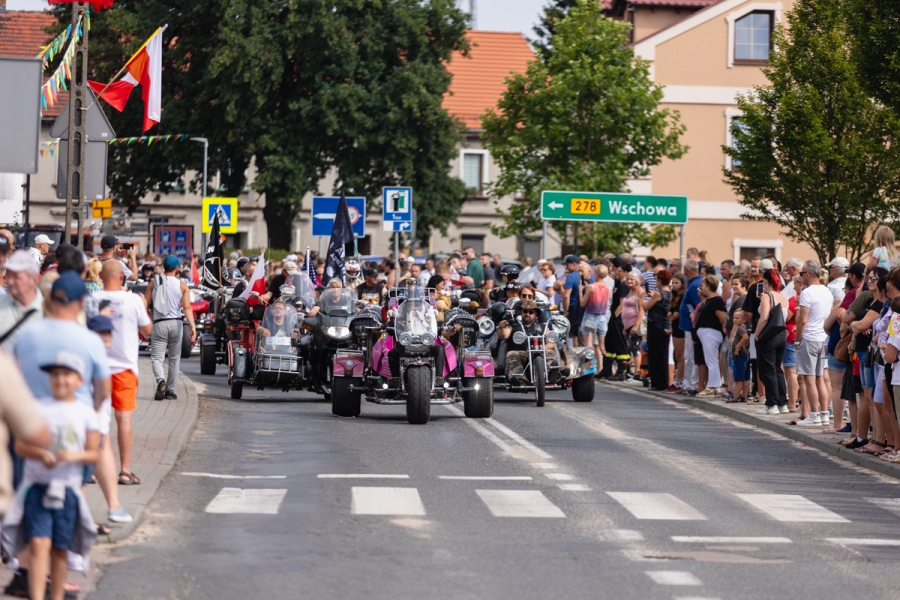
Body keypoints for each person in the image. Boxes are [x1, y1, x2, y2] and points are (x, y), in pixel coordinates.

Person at [7, 352, 99, 600]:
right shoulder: (38, 408)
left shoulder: (85, 413)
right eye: (56, 374)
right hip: (37, 488)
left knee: (60, 549)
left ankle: (56, 595)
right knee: (38, 544)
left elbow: (93, 455)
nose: (60, 380)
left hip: (68, 491)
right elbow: (20, 447)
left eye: (66, 374)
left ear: (79, 380)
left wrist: (73, 457)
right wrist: (41, 454)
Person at [94, 260, 152, 487]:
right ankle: (125, 471)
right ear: (121, 277)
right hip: (124, 368)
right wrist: (144, 305)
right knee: (123, 418)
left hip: (97, 367)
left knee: (98, 419)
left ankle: (93, 467)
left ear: (101, 277)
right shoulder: (133, 300)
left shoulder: (91, 300)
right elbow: (148, 331)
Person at [144, 255, 196, 401]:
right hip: (176, 323)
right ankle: (170, 391)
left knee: (156, 358)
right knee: (174, 359)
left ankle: (161, 381)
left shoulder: (154, 283)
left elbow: (145, 303)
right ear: (176, 268)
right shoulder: (182, 286)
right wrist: (192, 326)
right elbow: (186, 307)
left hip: (159, 323)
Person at [793, 260, 833, 426]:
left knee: (809, 378)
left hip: (809, 337)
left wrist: (797, 339)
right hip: (822, 337)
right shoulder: (827, 291)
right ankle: (824, 413)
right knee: (820, 379)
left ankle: (814, 414)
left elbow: (802, 320)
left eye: (802, 274)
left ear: (808, 274)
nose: (801, 277)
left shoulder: (807, 293)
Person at [498, 300, 558, 386]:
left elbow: (552, 343)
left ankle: (553, 372)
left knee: (550, 352)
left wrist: (542, 347)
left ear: (535, 314)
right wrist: (502, 328)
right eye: (525, 311)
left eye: (531, 312)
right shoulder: (514, 324)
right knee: (511, 354)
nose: (527, 314)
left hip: (540, 351)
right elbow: (504, 336)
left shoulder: (543, 327)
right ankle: (519, 379)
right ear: (521, 312)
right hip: (520, 352)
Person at [755, 269, 789, 414]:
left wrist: (757, 334)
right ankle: (783, 403)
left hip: (768, 336)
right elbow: (785, 317)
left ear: (766, 281)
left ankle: (771, 403)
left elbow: (764, 318)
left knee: (768, 369)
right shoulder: (783, 296)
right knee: (777, 369)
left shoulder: (767, 296)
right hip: (781, 335)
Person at [0, 251, 44, 351]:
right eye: (8, 276)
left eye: (16, 277)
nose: (10, 282)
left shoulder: (48, 310)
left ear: (34, 280)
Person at [694, 275, 727, 396]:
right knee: (710, 360)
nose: (701, 287)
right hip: (706, 334)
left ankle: (712, 386)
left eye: (703, 285)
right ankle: (714, 386)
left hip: (711, 333)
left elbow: (722, 318)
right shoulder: (709, 300)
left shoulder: (716, 300)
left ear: (708, 287)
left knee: (711, 360)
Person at [643, 269, 672, 390]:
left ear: (659, 280)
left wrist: (641, 298)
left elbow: (646, 307)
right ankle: (663, 381)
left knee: (655, 355)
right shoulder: (670, 293)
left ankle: (658, 383)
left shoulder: (658, 294)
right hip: (666, 326)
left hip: (655, 326)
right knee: (664, 354)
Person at [678, 260, 703, 394]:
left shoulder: (694, 285)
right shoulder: (694, 283)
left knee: (691, 356)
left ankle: (692, 384)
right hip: (689, 325)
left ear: (686, 270)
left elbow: (697, 304)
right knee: (689, 356)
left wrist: (692, 315)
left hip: (691, 326)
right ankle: (688, 384)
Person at [580, 264, 610, 368]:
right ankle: (604, 368)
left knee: (588, 344)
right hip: (602, 317)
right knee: (601, 346)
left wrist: (581, 290)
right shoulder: (608, 288)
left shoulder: (591, 287)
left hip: (590, 316)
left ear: (595, 274)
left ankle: (589, 367)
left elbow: (583, 303)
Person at [620, 272, 645, 381]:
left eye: (632, 279)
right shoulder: (630, 291)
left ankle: (637, 373)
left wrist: (635, 326)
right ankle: (635, 371)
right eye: (628, 279)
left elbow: (641, 310)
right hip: (628, 324)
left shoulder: (639, 291)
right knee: (631, 348)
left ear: (637, 280)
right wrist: (625, 327)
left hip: (635, 324)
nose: (629, 281)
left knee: (636, 348)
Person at [666, 273, 687, 392]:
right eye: (672, 283)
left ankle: (679, 381)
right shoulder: (673, 296)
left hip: (680, 328)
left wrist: (671, 316)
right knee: (677, 356)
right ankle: (678, 380)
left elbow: (675, 314)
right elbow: (669, 313)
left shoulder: (682, 296)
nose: (673, 285)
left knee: (680, 356)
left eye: (676, 283)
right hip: (674, 327)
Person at [730, 310, 751, 403]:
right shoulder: (743, 327)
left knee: (739, 377)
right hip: (745, 354)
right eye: (734, 318)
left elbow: (745, 337)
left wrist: (737, 347)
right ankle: (744, 396)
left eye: (737, 318)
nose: (735, 320)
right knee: (745, 378)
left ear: (744, 319)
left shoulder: (740, 328)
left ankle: (736, 396)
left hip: (740, 355)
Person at [561, 256, 583, 340]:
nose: (566, 267)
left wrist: (566, 310)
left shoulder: (570, 277)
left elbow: (566, 296)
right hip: (584, 307)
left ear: (574, 264)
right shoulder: (588, 274)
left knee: (573, 334)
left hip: (573, 307)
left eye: (567, 265)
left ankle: (573, 351)